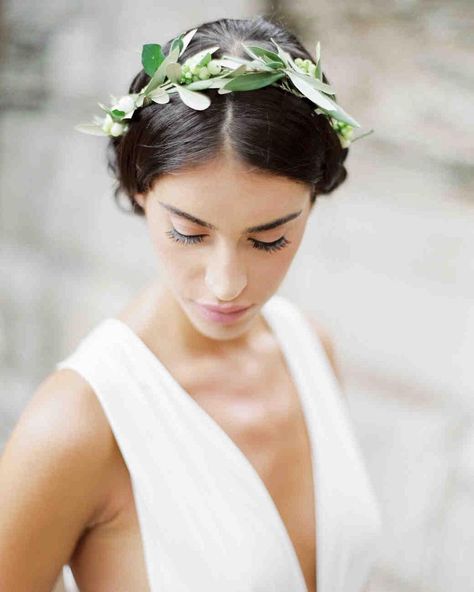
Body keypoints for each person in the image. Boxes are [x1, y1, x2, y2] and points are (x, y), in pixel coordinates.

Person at [0, 14, 383, 592]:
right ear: (138, 188)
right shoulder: (75, 426)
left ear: (316, 195)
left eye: (270, 237)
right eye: (189, 233)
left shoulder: (308, 347)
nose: (227, 284)